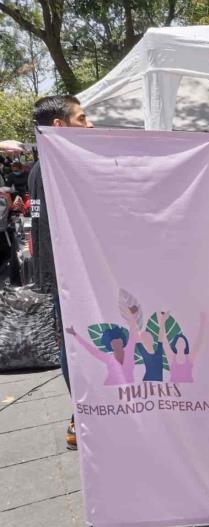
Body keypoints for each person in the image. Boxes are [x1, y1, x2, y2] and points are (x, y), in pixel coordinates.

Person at [30, 95, 93, 451]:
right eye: (82, 119)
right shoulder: (58, 167)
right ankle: (81, 416)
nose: (90, 125)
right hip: (72, 277)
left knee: (73, 344)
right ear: (59, 126)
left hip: (63, 275)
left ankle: (80, 415)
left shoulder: (41, 167)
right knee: (75, 345)